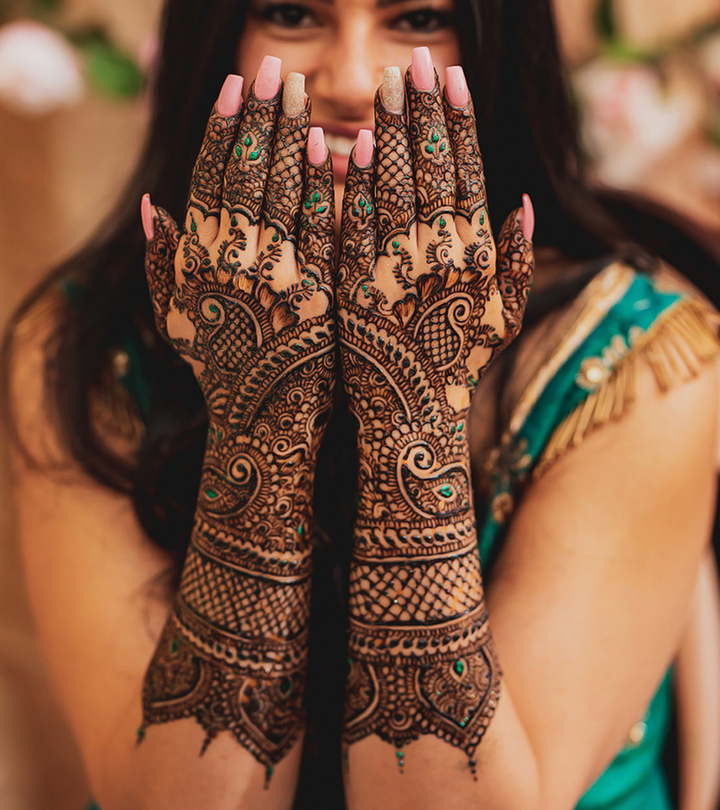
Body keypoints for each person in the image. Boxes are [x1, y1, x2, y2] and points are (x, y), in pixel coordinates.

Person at [3, 0, 720, 808]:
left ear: (500, 49)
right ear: (216, 38)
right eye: (290, 14)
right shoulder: (87, 348)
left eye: (417, 21)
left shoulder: (635, 358)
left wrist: (409, 405)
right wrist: (263, 406)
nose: (347, 80)